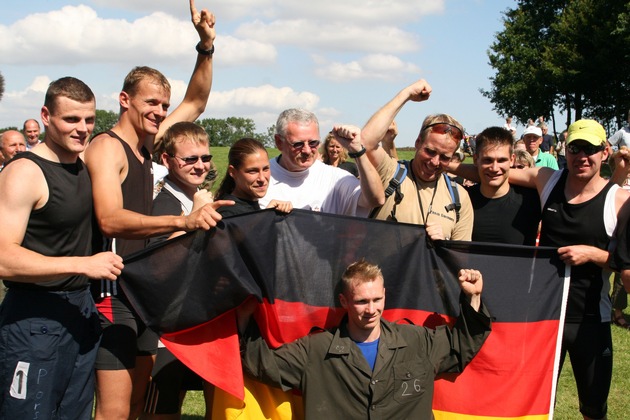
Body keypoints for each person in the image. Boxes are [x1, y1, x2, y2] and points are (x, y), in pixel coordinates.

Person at [84, 2, 230, 419]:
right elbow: (109, 219)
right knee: (113, 409)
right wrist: (182, 221)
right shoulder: (106, 147)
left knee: (138, 404)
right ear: (124, 100)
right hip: (111, 293)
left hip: (141, 289)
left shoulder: (146, 144)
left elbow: (197, 101)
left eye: (164, 106)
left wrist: (206, 48)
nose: (160, 113)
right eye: (152, 103)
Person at [451, 119, 630, 419]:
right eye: (575, 147)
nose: (581, 156)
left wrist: (594, 255)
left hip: (589, 317)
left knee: (593, 406)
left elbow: (625, 265)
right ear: (566, 149)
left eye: (590, 149)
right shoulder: (547, 180)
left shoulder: (621, 201)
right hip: (541, 317)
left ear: (605, 152)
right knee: (528, 401)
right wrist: (444, 165)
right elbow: (494, 172)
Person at [0, 77, 124, 419]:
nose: (82, 129)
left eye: (88, 120)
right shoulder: (25, 172)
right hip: (35, 317)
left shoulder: (83, 166)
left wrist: (205, 49)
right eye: (71, 119)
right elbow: (3, 258)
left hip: (80, 312)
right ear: (46, 116)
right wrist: (83, 265)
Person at [237, 259, 491, 419]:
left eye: (376, 300)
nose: (371, 309)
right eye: (361, 301)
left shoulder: (418, 341)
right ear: (344, 302)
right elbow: (263, 365)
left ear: (384, 296)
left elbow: (462, 345)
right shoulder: (315, 350)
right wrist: (245, 317)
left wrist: (473, 298)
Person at [142, 122, 219, 419]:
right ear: (166, 161)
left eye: (205, 157)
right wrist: (192, 219)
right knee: (160, 410)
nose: (200, 165)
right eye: (190, 159)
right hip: (164, 329)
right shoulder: (165, 203)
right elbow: (158, 264)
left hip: (191, 322)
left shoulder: (194, 196)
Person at [361, 78, 474, 241]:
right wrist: (406, 94)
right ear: (417, 143)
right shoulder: (391, 172)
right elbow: (366, 141)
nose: (434, 162)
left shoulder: (459, 197)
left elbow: (461, 258)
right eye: (430, 151)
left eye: (444, 157)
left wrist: (443, 245)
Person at [258, 109, 384, 216]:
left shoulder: (335, 179)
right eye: (298, 144)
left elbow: (376, 199)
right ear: (279, 142)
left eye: (313, 143)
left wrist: (358, 151)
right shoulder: (259, 178)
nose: (307, 150)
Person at [464, 126, 540, 245]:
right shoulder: (462, 199)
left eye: (501, 160)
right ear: (475, 160)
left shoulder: (532, 200)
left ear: (511, 160)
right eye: (487, 160)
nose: (494, 168)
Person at [215, 137, 292, 217]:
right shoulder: (228, 213)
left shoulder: (249, 205)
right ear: (233, 172)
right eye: (253, 171)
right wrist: (265, 218)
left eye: (266, 169)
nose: (262, 178)